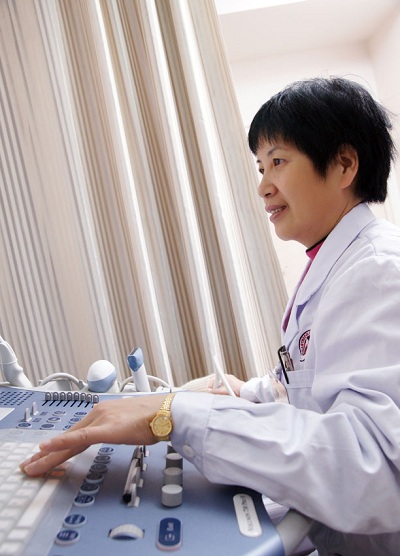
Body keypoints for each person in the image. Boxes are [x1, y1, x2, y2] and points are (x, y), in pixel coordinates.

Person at [21, 77, 400, 555]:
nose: (263, 186)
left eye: (278, 162)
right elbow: (312, 391)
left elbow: (378, 468)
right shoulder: (338, 264)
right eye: (260, 167)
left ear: (344, 164)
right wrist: (246, 392)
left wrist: (173, 414)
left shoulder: (378, 271)